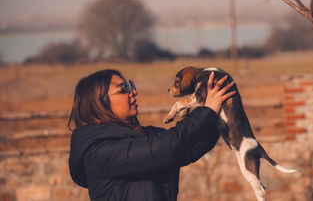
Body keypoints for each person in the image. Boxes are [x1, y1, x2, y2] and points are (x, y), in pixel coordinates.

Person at [68, 69, 235, 201]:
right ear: (99, 103)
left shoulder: (142, 136)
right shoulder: (99, 152)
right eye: (123, 89)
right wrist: (207, 111)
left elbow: (187, 148)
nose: (133, 92)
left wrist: (217, 112)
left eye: (130, 85)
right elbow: (165, 146)